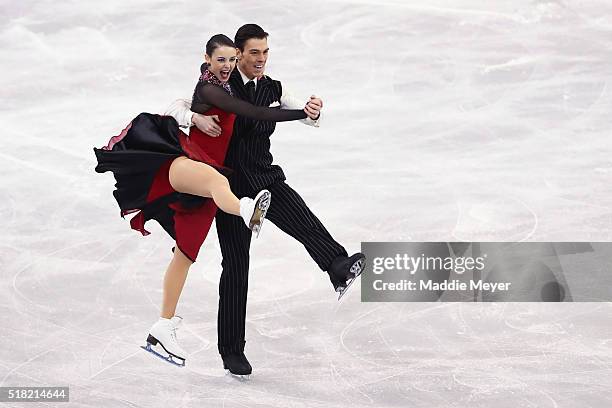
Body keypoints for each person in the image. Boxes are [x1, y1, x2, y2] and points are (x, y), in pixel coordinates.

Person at [94, 34, 310, 367]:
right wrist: (299, 115)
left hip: (204, 179)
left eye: (231, 60)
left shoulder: (228, 85)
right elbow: (250, 111)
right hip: (184, 162)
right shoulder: (210, 89)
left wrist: (304, 108)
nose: (227, 66)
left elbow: (257, 99)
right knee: (217, 181)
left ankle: (162, 328)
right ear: (207, 60)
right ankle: (247, 209)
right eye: (220, 60)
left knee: (186, 252)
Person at [166, 24, 366, 376]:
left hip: (264, 175)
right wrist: (194, 117)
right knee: (237, 265)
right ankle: (231, 350)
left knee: (303, 219)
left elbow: (301, 109)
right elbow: (177, 106)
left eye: (266, 52)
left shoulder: (273, 86)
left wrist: (313, 111)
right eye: (254, 53)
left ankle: (336, 266)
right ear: (239, 54)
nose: (261, 59)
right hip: (230, 187)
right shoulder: (221, 84)